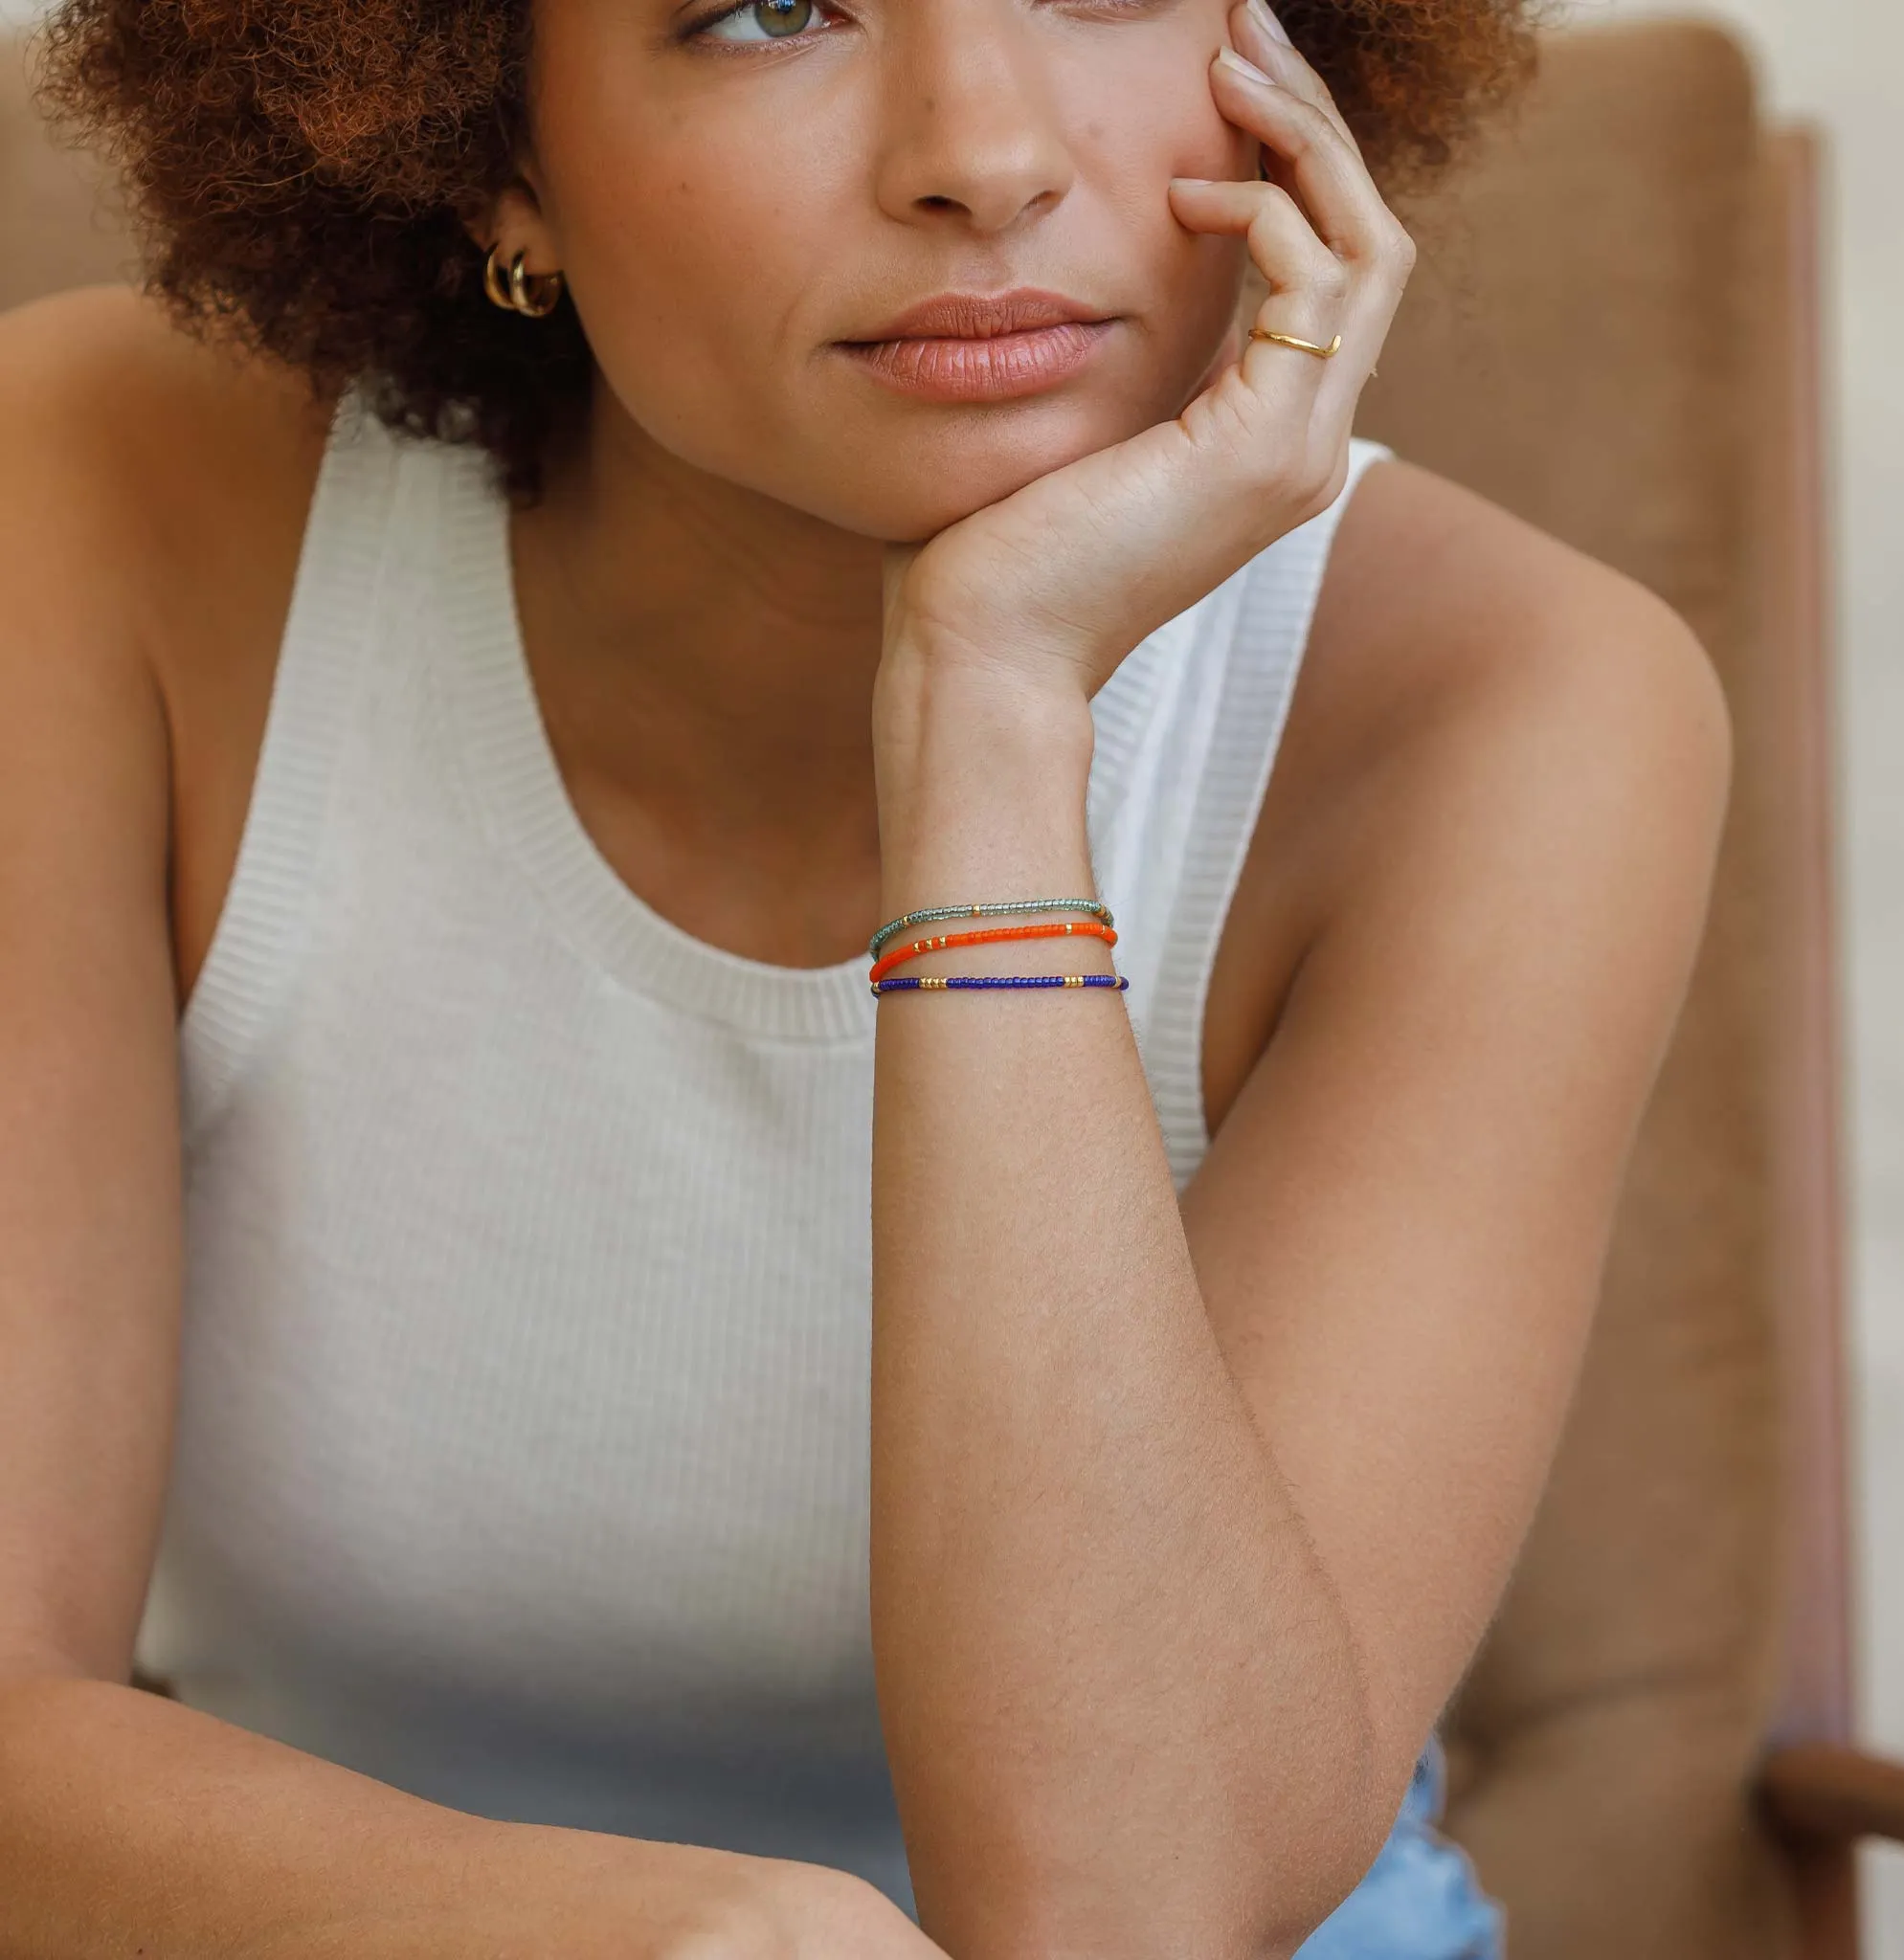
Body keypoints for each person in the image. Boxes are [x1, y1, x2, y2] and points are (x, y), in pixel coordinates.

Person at [0, 0, 1732, 1953]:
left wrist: (990, 704)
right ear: (494, 144)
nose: (979, 151)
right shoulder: (92, 499)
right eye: (762, 9)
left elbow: (1127, 1909)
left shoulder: (1510, 705)